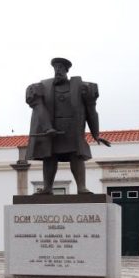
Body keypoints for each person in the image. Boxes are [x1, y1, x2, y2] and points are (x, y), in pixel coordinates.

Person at [26, 58, 110, 195]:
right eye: (55, 68)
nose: (58, 70)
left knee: (76, 156)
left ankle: (81, 187)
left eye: (61, 68)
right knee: (50, 157)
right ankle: (47, 187)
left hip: (72, 129)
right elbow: (39, 109)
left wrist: (96, 134)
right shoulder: (44, 87)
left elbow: (91, 111)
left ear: (67, 70)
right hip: (52, 130)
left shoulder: (80, 87)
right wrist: (47, 128)